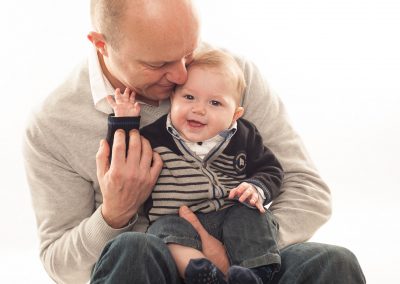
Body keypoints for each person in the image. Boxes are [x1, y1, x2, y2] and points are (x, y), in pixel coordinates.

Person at [22, 0, 365, 283]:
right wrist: (115, 213)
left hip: (248, 265)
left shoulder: (229, 77)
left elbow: (308, 190)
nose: (182, 76)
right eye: (158, 64)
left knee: (334, 263)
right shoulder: (53, 125)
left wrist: (236, 254)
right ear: (101, 44)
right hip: (152, 268)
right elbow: (60, 263)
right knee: (132, 249)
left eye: (187, 52)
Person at [105, 48, 283, 283]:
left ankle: (254, 275)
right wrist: (125, 120)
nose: (199, 109)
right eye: (189, 97)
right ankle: (201, 272)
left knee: (253, 215)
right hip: (178, 219)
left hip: (231, 212)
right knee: (164, 231)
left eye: (215, 103)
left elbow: (271, 169)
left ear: (235, 115)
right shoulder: (155, 137)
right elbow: (124, 158)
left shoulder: (244, 136)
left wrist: (256, 188)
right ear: (172, 99)